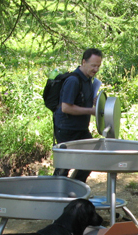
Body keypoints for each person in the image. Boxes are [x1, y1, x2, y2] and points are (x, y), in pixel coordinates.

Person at [53, 48, 103, 182]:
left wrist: (94, 102)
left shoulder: (88, 79)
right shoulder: (73, 81)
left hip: (81, 129)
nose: (96, 69)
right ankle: (56, 197)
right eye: (93, 65)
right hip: (66, 129)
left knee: (91, 159)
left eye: (98, 66)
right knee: (64, 167)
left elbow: (81, 101)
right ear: (83, 62)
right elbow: (66, 107)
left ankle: (76, 189)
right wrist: (91, 111)